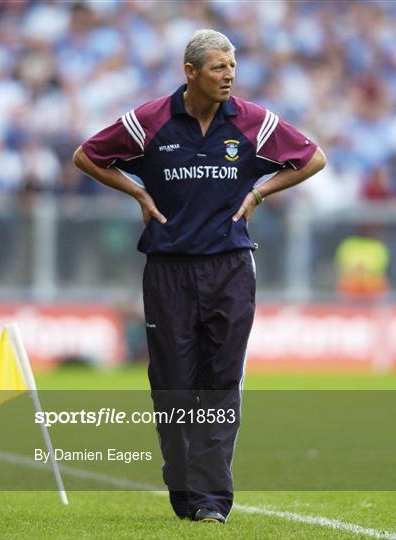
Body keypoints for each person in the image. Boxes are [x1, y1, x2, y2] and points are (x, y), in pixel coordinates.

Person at [73, 28, 326, 524]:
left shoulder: (253, 121)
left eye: (232, 65)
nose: (229, 75)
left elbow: (311, 159)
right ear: (190, 73)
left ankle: (211, 501)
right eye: (218, 67)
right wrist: (138, 194)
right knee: (173, 384)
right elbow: (87, 156)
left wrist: (258, 194)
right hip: (167, 270)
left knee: (220, 381)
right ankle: (183, 489)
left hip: (230, 267)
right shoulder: (150, 120)